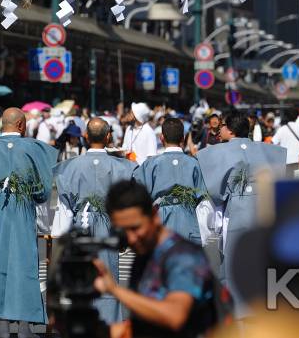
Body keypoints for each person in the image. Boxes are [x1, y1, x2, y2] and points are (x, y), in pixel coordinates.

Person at [0, 108, 57, 338]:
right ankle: (25, 327)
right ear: (22, 125)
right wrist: (44, 225)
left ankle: (3, 327)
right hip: (25, 212)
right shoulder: (34, 149)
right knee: (26, 267)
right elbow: (42, 193)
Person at [92, 179, 217, 338]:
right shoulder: (143, 254)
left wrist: (114, 289)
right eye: (122, 231)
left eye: (135, 228)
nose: (130, 238)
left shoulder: (184, 256)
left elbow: (175, 316)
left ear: (154, 215)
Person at [196, 111, 286, 312]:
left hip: (236, 209)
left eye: (222, 127)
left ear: (230, 129)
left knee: (235, 258)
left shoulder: (219, 151)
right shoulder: (267, 150)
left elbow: (216, 192)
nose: (220, 131)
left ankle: (238, 307)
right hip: (264, 209)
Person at [51, 117, 136, 324]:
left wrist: (60, 240)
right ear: (109, 137)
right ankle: (110, 325)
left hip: (81, 225)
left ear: (86, 136)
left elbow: (64, 209)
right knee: (108, 278)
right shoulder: (124, 167)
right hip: (109, 226)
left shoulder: (69, 167)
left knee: (81, 279)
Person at [134, 117, 214, 246]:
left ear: (161, 138)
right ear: (183, 138)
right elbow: (204, 202)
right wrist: (204, 232)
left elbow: (138, 198)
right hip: (189, 218)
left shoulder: (151, 164)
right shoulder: (194, 163)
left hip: (160, 218)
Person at [271, 109, 299, 174]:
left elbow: (272, 143)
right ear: (297, 116)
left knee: (289, 183)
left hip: (286, 162)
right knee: (298, 183)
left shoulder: (282, 129)